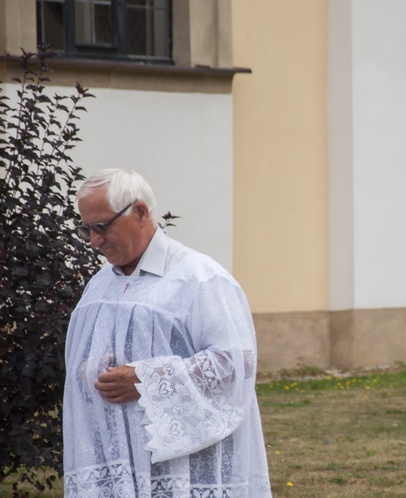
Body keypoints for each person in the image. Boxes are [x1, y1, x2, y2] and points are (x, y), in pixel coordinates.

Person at [63, 169, 271, 497]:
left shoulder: (198, 278)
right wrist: (88, 370)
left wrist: (148, 379)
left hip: (184, 467)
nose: (94, 241)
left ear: (141, 212)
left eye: (102, 226)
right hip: (118, 458)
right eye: (86, 229)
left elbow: (235, 363)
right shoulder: (100, 284)